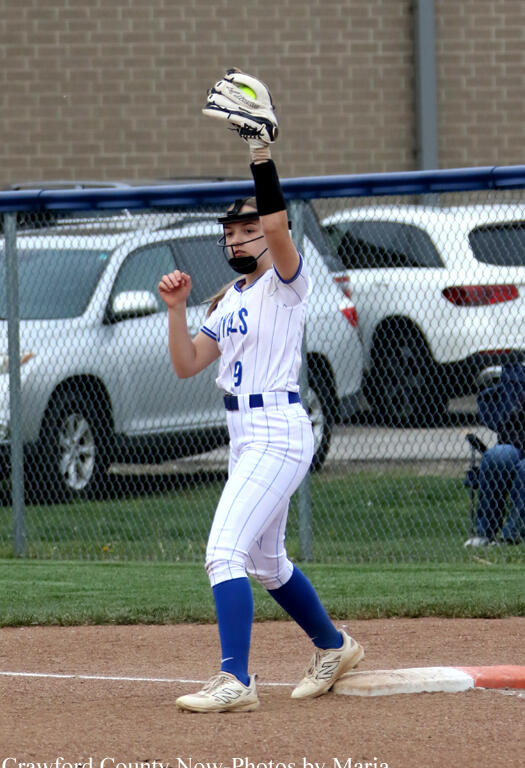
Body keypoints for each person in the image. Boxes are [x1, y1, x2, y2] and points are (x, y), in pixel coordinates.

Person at [157, 69, 364, 712]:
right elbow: (189, 363)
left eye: (245, 231)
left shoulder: (285, 280)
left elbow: (277, 228)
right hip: (244, 436)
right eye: (231, 233)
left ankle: (237, 680)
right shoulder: (229, 300)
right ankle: (333, 646)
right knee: (268, 563)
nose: (237, 238)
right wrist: (177, 308)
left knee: (224, 550)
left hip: (278, 427)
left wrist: (261, 155)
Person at [464, 361, 525, 547]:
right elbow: (512, 422)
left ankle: (511, 536)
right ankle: (485, 533)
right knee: (496, 457)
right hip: (518, 444)